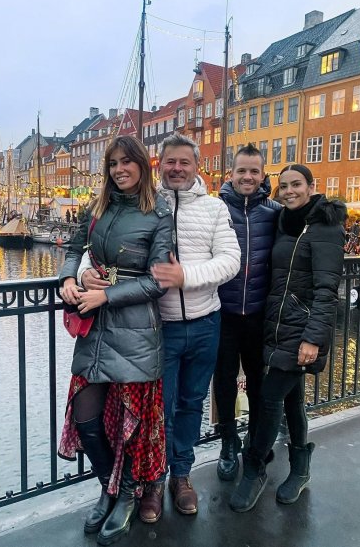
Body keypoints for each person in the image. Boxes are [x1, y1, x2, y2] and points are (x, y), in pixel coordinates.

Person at [58, 135, 174, 545]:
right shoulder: (97, 206)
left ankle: (127, 496)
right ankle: (110, 488)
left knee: (132, 425)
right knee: (86, 417)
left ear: (142, 165)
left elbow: (159, 280)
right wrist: (69, 278)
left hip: (136, 330)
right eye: (113, 164)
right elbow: (73, 250)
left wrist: (105, 293)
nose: (119, 170)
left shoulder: (159, 212)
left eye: (127, 162)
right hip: (95, 326)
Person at [230, 163, 346, 513]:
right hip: (277, 327)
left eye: (297, 184)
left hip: (303, 332)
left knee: (268, 399)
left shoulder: (326, 226)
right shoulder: (285, 221)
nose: (290, 191)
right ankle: (300, 468)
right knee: (292, 399)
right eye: (284, 186)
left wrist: (313, 339)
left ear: (312, 186)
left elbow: (327, 291)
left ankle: (255, 467)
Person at [139, 132, 241, 523]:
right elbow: (105, 250)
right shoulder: (146, 205)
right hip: (157, 327)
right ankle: (153, 479)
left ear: (196, 166)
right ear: (159, 165)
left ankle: (181, 475)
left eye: (184, 162)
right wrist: (82, 274)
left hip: (203, 323)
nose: (177, 168)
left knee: (191, 404)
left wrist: (187, 276)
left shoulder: (214, 209)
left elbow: (230, 260)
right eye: (170, 162)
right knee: (158, 408)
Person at [213, 143, 281, 481]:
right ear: (232, 173)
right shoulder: (216, 210)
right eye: (242, 170)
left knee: (258, 380)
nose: (248, 177)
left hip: (258, 312)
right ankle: (228, 440)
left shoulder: (274, 212)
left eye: (254, 171)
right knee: (224, 379)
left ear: (263, 174)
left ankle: (255, 437)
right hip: (222, 311)